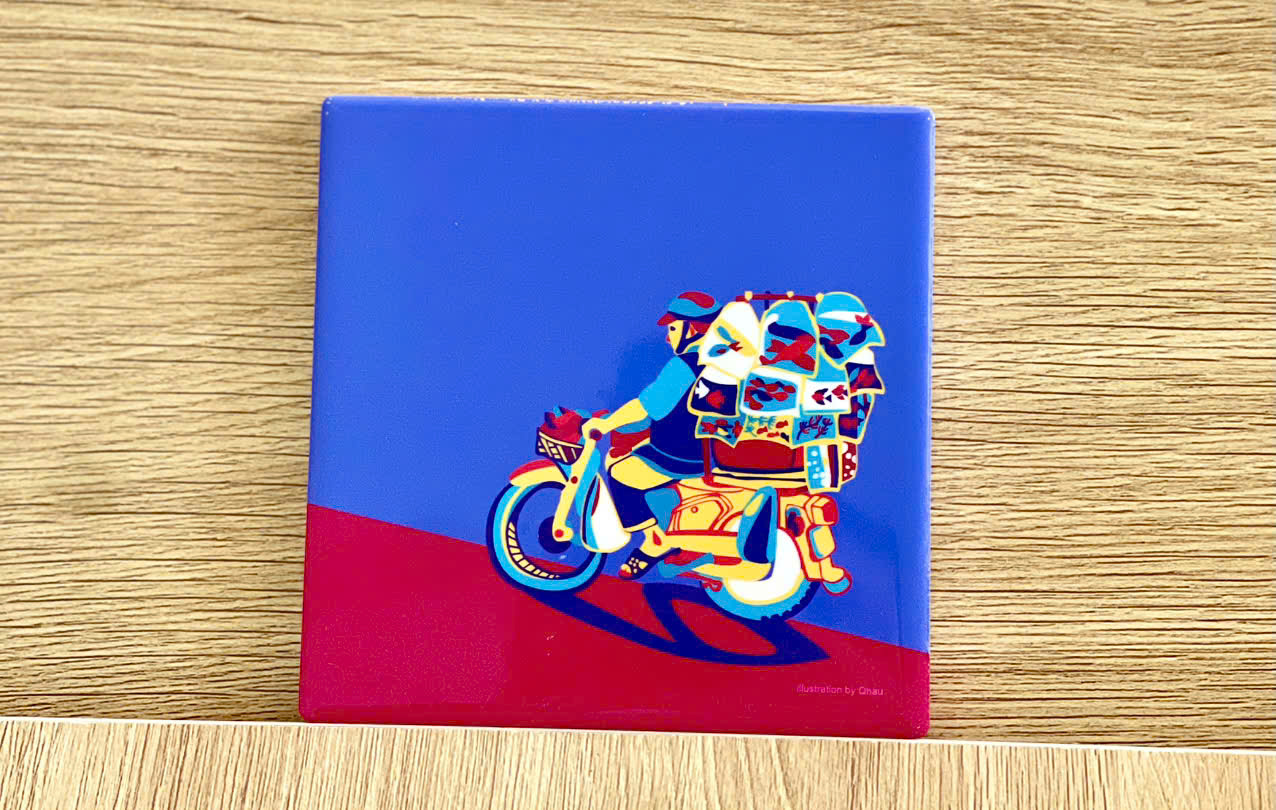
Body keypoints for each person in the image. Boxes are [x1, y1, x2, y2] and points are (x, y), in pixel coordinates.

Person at [582, 291, 720, 579]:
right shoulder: (725, 363)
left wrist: (606, 425)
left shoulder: (685, 365)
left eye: (674, 329)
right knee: (633, 447)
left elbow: (648, 406)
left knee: (620, 471)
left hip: (680, 454)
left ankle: (656, 541)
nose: (668, 338)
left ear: (692, 329)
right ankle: (669, 513)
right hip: (709, 449)